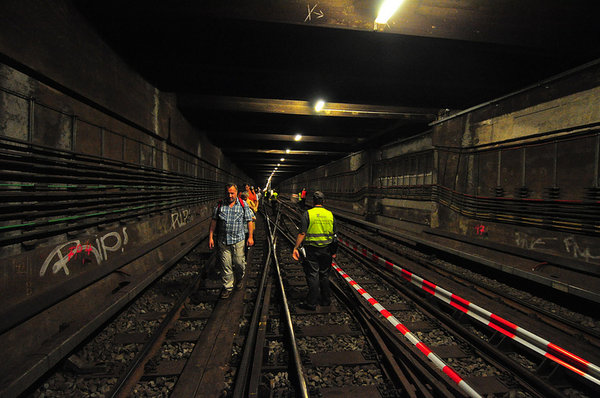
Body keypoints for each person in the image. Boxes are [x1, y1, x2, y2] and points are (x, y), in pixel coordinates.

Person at [292, 191, 337, 310]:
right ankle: (326, 301)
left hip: (311, 249)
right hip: (326, 249)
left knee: (313, 275)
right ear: (323, 201)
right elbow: (334, 234)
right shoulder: (330, 214)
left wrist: (296, 247)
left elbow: (302, 233)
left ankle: (311, 303)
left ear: (313, 201)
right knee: (325, 275)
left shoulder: (308, 214)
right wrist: (334, 251)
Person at [209, 183, 255, 298]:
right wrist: (210, 237)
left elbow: (249, 220)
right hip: (223, 241)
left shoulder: (243, 205)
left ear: (236, 192)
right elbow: (214, 221)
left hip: (238, 240)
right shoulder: (220, 205)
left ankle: (239, 279)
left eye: (232, 193)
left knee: (239, 263)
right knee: (226, 265)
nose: (230, 195)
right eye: (228, 193)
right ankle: (228, 287)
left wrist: (250, 237)